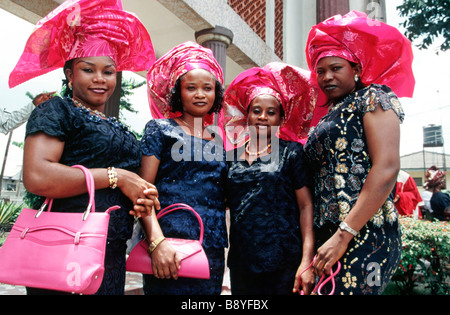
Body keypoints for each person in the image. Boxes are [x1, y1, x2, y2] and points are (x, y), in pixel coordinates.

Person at [10, 0, 159, 295]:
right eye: (88, 69)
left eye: (109, 71)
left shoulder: (119, 126)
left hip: (111, 254)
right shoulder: (57, 111)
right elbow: (38, 176)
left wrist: (141, 197)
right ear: (70, 74)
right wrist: (117, 176)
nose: (100, 79)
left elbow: (135, 184)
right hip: (65, 249)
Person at [303, 11, 415, 295]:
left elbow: (387, 168)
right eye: (320, 71)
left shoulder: (373, 97)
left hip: (365, 232)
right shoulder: (328, 115)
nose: (326, 76)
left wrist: (344, 235)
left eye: (335, 68)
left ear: (355, 69)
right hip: (327, 234)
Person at [140, 41, 228, 295]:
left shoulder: (220, 140)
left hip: (210, 248)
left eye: (207, 88)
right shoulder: (159, 129)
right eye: (191, 87)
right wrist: (156, 243)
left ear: (216, 93)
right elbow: (143, 192)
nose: (200, 94)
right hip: (168, 247)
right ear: (179, 92)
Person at [223, 62, 317, 295]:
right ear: (247, 115)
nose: (263, 117)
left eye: (271, 112)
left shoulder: (291, 153)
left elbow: (306, 207)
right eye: (257, 111)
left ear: (281, 119)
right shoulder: (230, 158)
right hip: (242, 261)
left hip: (284, 261)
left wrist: (307, 261)